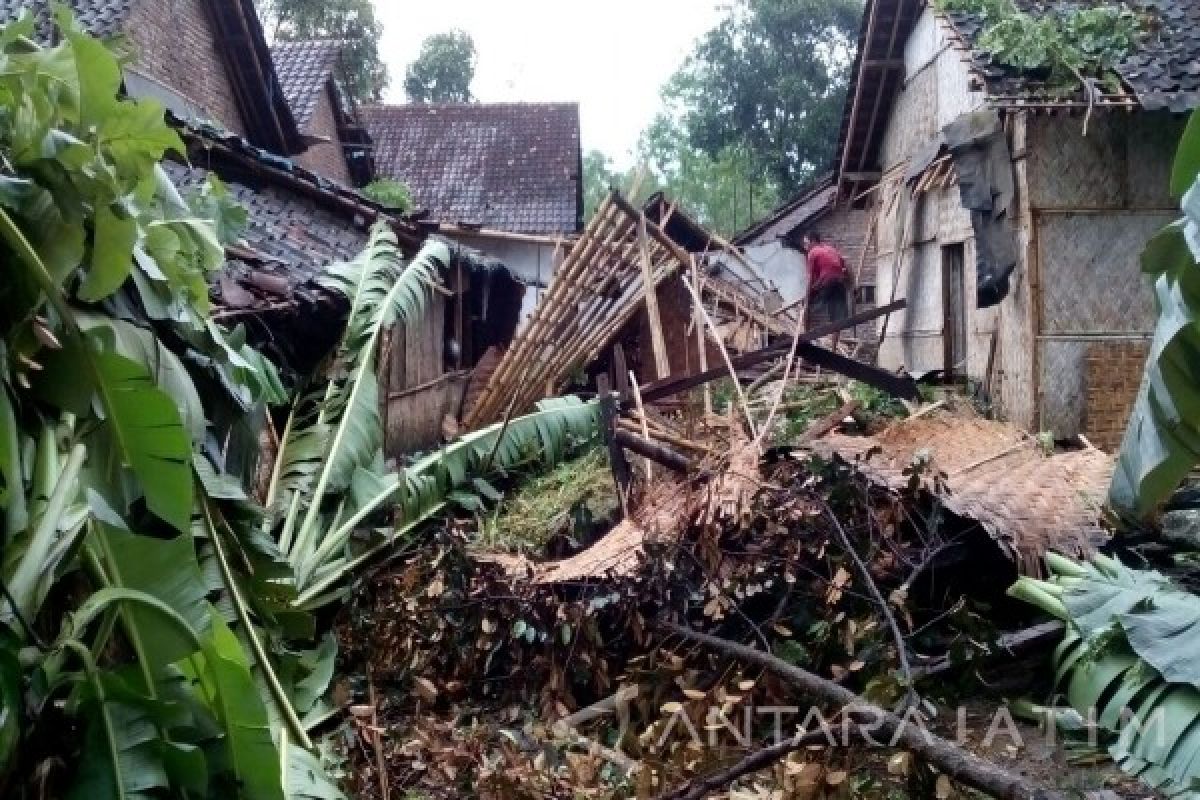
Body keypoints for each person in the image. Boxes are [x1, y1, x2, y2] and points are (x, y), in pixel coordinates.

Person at [802, 232, 851, 349]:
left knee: (807, 309)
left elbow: (810, 279)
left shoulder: (812, 253)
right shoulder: (831, 249)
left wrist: (807, 298)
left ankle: (806, 341)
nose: (805, 247)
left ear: (813, 241)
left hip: (827, 283)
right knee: (837, 318)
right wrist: (850, 286)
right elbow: (845, 268)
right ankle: (833, 348)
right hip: (839, 283)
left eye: (806, 243)